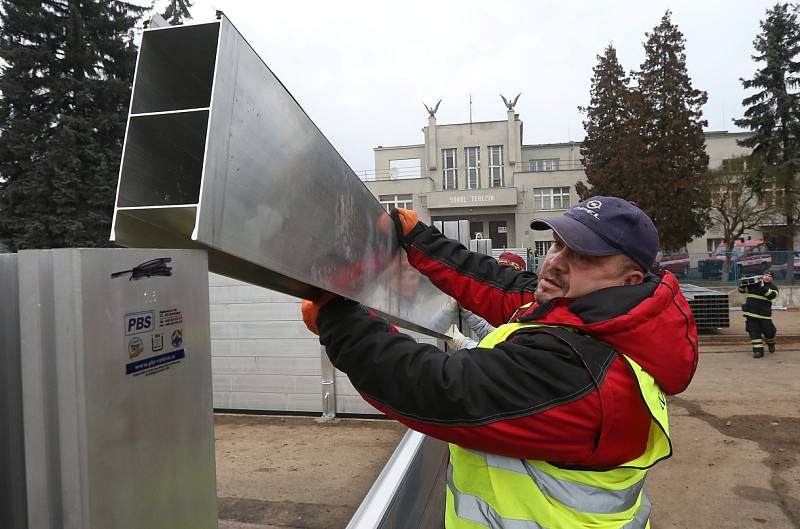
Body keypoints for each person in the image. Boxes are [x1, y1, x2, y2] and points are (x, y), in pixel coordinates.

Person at [302, 196, 698, 529]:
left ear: (629, 280)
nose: (555, 262)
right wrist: (421, 241)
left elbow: (436, 388)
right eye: (558, 245)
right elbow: (501, 285)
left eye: (583, 257)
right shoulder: (598, 313)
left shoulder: (584, 373)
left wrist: (339, 320)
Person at [446, 251, 527, 350]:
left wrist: (461, 343)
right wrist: (466, 307)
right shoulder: (507, 306)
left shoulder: (526, 312)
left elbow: (498, 354)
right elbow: (492, 333)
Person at [737, 271, 779, 358]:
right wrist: (743, 283)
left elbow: (771, 295)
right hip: (751, 315)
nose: (767, 277)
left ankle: (771, 343)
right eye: (765, 275)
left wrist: (762, 286)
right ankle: (758, 352)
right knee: (754, 333)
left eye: (769, 276)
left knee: (769, 332)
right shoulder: (753, 285)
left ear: (772, 279)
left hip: (764, 316)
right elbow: (741, 290)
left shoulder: (773, 287)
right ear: (762, 276)